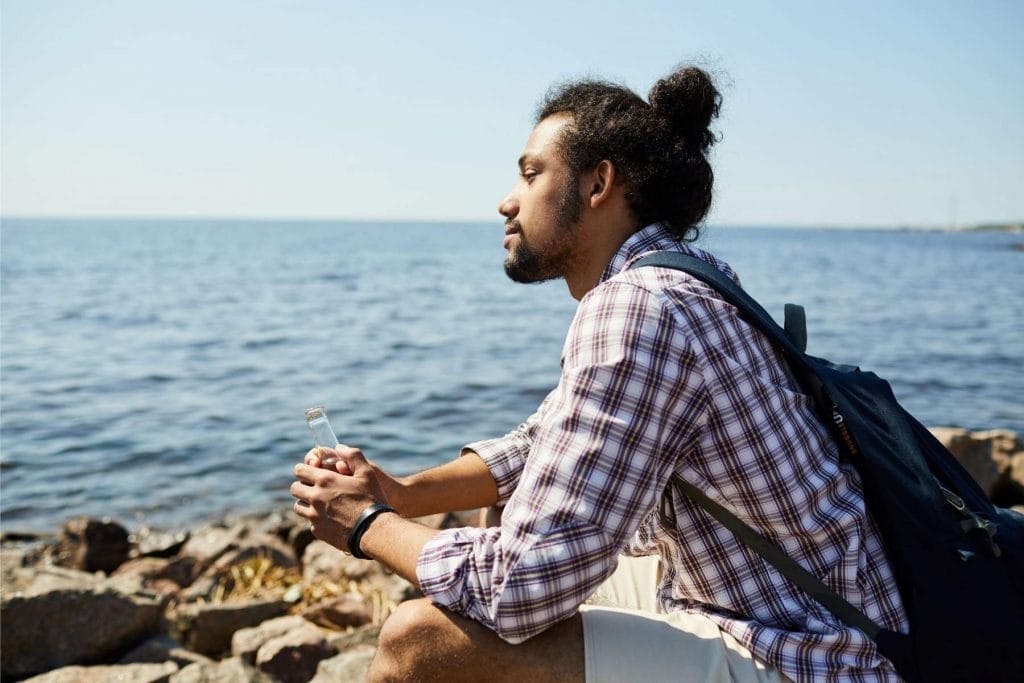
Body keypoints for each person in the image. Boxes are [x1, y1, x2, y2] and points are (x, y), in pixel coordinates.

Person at [290, 65, 908, 682]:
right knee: (508, 519)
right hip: (802, 607)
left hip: (812, 654)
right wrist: (402, 493)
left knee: (418, 641)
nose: (507, 200)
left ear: (597, 185)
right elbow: (544, 444)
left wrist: (369, 524)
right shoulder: (690, 277)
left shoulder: (636, 305)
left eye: (532, 175)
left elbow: (520, 589)